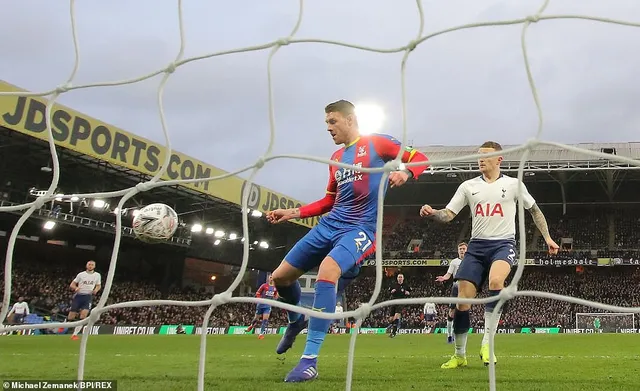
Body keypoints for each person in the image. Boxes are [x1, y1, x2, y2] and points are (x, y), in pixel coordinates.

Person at [266, 99, 429, 382]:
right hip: (329, 225)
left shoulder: (378, 144)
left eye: (333, 122)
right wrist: (292, 212)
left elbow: (420, 158)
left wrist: (405, 171)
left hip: (361, 228)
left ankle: (309, 360)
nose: (329, 128)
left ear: (350, 119)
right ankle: (296, 321)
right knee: (279, 278)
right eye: (327, 123)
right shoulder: (336, 160)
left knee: (327, 272)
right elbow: (328, 201)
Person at [420, 141, 558, 368]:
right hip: (476, 248)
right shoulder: (468, 186)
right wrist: (433, 213)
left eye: (485, 156)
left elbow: (534, 210)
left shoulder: (514, 184)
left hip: (503, 244)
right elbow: (449, 215)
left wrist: (548, 238)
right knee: (462, 303)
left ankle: (487, 344)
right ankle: (459, 355)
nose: (480, 160)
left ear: (499, 159)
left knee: (496, 281)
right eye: (479, 156)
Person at [435, 242, 468, 343]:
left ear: (467, 250)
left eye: (463, 249)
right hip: (456, 288)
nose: (462, 250)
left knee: (464, 312)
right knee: (452, 312)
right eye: (460, 249)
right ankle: (449, 335)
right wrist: (443, 278)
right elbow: (448, 274)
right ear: (458, 251)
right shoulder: (454, 262)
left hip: (466, 288)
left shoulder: (471, 261)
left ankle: (460, 334)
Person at [68, 260, 102, 340]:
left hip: (88, 297)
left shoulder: (97, 275)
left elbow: (98, 285)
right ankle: (65, 326)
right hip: (79, 296)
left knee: (83, 315)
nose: (90, 266)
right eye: (89, 264)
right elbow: (72, 284)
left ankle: (74, 334)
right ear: (86, 266)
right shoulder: (81, 274)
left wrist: (96, 290)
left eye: (92, 265)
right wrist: (76, 288)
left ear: (94, 266)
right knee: (71, 316)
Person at [387, 273, 411, 338]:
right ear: (397, 278)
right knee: (391, 319)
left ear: (403, 278)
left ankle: (394, 332)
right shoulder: (393, 285)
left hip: (401, 302)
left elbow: (411, 292)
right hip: (393, 302)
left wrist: (408, 293)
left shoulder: (406, 286)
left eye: (401, 277)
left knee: (396, 316)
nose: (400, 278)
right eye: (399, 277)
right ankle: (392, 325)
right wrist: (391, 291)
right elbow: (388, 292)